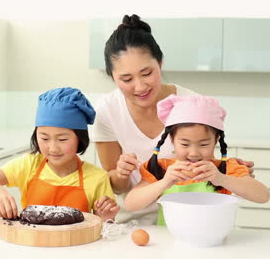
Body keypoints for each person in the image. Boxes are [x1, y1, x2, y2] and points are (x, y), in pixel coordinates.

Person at [93, 14, 254, 224]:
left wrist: (229, 168)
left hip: (185, 218)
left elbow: (203, 160)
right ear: (112, 77)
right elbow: (116, 187)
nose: (140, 86)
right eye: (126, 79)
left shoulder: (191, 103)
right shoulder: (107, 111)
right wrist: (122, 174)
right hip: (128, 221)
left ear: (160, 63)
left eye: (147, 73)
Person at [0, 87, 119, 222]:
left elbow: (102, 231)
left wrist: (106, 218)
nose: (53, 148)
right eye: (44, 138)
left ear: (80, 139)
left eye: (62, 139)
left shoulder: (97, 178)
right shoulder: (28, 165)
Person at [124, 94, 270, 225]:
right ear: (172, 139)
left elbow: (263, 196)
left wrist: (221, 179)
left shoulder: (225, 169)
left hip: (212, 241)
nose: (193, 153)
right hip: (169, 241)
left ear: (216, 140)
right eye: (185, 144)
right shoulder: (161, 168)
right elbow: (131, 204)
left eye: (204, 144)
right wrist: (165, 182)